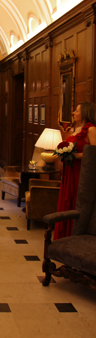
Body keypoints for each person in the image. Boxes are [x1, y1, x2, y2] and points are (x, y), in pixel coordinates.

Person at [54, 102, 96, 240]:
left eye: (76, 111)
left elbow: (94, 154)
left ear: (85, 112)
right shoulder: (76, 129)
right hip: (69, 171)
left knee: (78, 199)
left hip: (81, 171)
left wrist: (75, 156)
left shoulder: (91, 130)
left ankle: (75, 235)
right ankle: (64, 235)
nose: (74, 113)